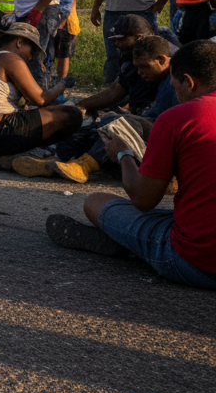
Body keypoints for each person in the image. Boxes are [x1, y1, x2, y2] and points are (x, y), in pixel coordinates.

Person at [46, 40, 216, 289]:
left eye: (176, 87)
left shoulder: (177, 119)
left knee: (95, 202)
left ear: (189, 82)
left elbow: (143, 200)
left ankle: (127, 245)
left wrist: (123, 153)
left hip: (198, 262)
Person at [12, 16, 168, 182]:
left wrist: (80, 107)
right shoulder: (137, 59)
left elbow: (115, 93)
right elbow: (120, 91)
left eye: (121, 39)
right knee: (82, 137)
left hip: (153, 141)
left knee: (114, 123)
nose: (116, 44)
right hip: (141, 129)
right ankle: (58, 163)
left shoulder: (173, 79)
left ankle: (84, 166)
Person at [0, 22, 81, 169]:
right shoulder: (10, 59)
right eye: (32, 49)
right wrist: (62, 84)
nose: (31, 56)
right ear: (19, 42)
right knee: (71, 114)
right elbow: (41, 99)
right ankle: (25, 154)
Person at [54, 0, 79, 85]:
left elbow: (66, 9)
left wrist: (56, 28)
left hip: (65, 26)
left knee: (63, 55)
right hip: (57, 25)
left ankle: (60, 84)